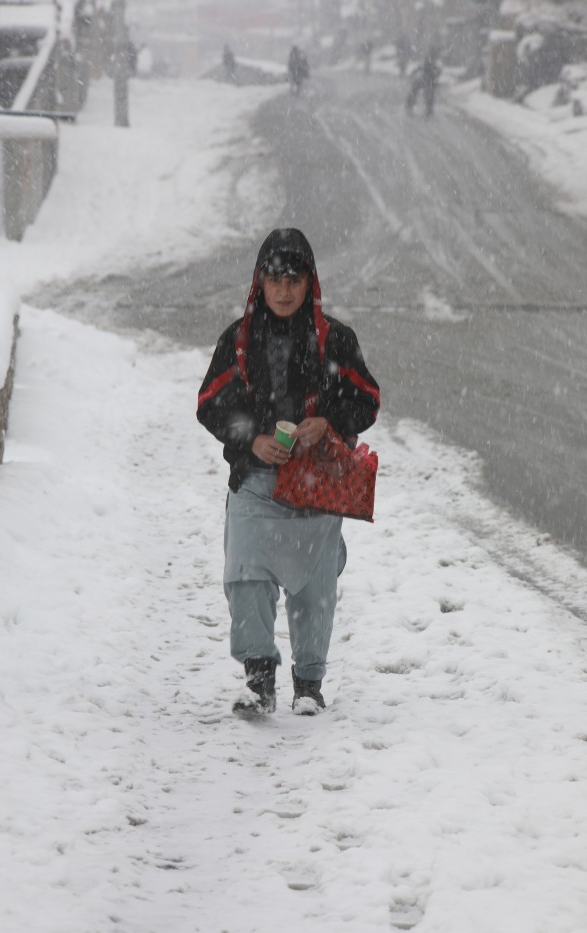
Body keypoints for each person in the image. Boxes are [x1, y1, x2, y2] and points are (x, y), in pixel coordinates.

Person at [197, 229, 380, 717]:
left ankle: (309, 686)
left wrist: (329, 423)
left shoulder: (335, 340)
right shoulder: (238, 339)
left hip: (317, 488)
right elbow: (210, 402)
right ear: (260, 281)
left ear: (309, 282)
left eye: (293, 279)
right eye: (274, 279)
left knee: (314, 587)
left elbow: (367, 399)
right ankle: (259, 683)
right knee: (247, 577)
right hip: (256, 484)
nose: (283, 291)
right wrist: (251, 440)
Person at [405, 47, 442, 116]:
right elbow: (438, 71)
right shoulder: (434, 60)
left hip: (427, 79)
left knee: (419, 91)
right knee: (428, 94)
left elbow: (421, 67)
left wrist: (414, 72)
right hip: (429, 80)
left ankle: (410, 105)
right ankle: (428, 109)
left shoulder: (432, 60)